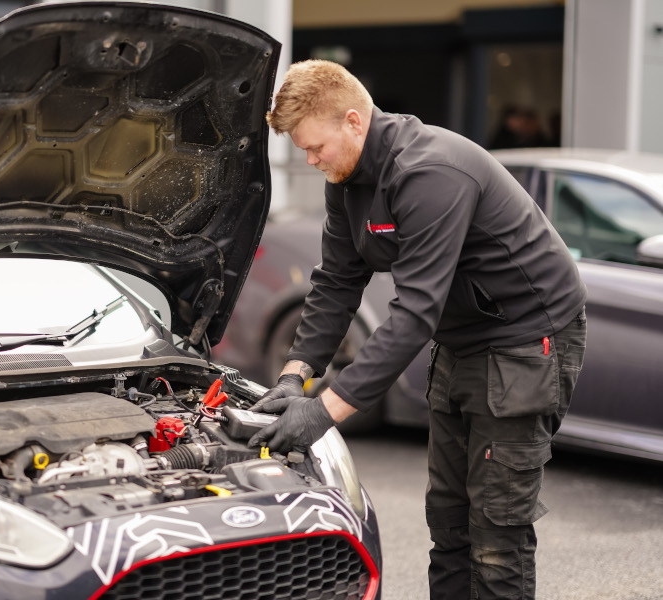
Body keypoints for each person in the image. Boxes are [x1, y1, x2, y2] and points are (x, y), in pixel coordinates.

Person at [247, 59, 587, 600]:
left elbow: (414, 313)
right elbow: (336, 281)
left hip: (526, 341)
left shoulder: (431, 171)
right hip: (462, 338)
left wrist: (324, 412)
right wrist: (295, 377)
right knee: (448, 522)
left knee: (496, 534)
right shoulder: (348, 178)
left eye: (315, 147)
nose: (311, 161)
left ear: (354, 121)